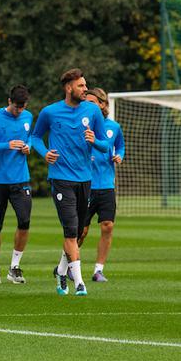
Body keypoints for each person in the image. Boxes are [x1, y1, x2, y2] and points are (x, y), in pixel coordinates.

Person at [30, 68, 110, 297]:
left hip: (85, 179)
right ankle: (80, 283)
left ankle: (61, 271)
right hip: (61, 178)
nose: (85, 89)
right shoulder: (50, 112)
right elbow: (35, 137)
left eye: (85, 85)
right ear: (69, 88)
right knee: (70, 231)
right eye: (81, 86)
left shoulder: (92, 112)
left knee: (78, 232)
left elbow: (105, 145)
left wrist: (95, 141)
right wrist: (44, 153)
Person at [0, 85, 34, 285]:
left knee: (24, 221)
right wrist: (6, 145)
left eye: (23, 107)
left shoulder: (28, 117)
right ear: (9, 101)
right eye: (16, 106)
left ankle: (15, 266)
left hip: (21, 179)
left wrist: (28, 147)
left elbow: (29, 138)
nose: (19, 110)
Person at [80, 88, 125, 282]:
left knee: (108, 226)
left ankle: (98, 270)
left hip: (106, 184)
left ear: (103, 105)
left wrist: (119, 155)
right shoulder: (79, 125)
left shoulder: (113, 127)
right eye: (86, 102)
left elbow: (120, 145)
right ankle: (66, 264)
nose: (88, 105)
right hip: (85, 184)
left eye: (92, 102)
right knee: (81, 231)